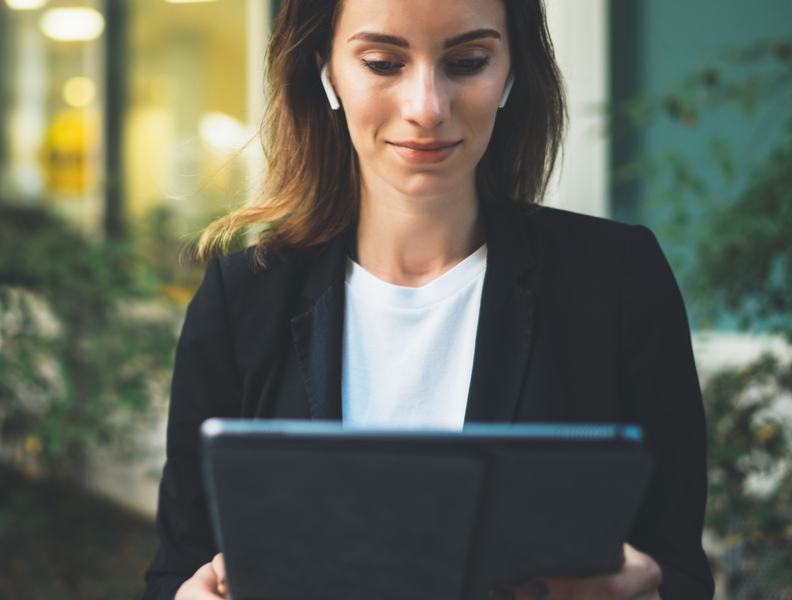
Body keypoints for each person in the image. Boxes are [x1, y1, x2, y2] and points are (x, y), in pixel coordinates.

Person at [143, 0, 715, 598]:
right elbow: (176, 569)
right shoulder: (240, 301)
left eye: (467, 62)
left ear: (513, 70)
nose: (427, 108)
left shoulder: (615, 282)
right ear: (325, 69)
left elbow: (677, 570)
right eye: (383, 63)